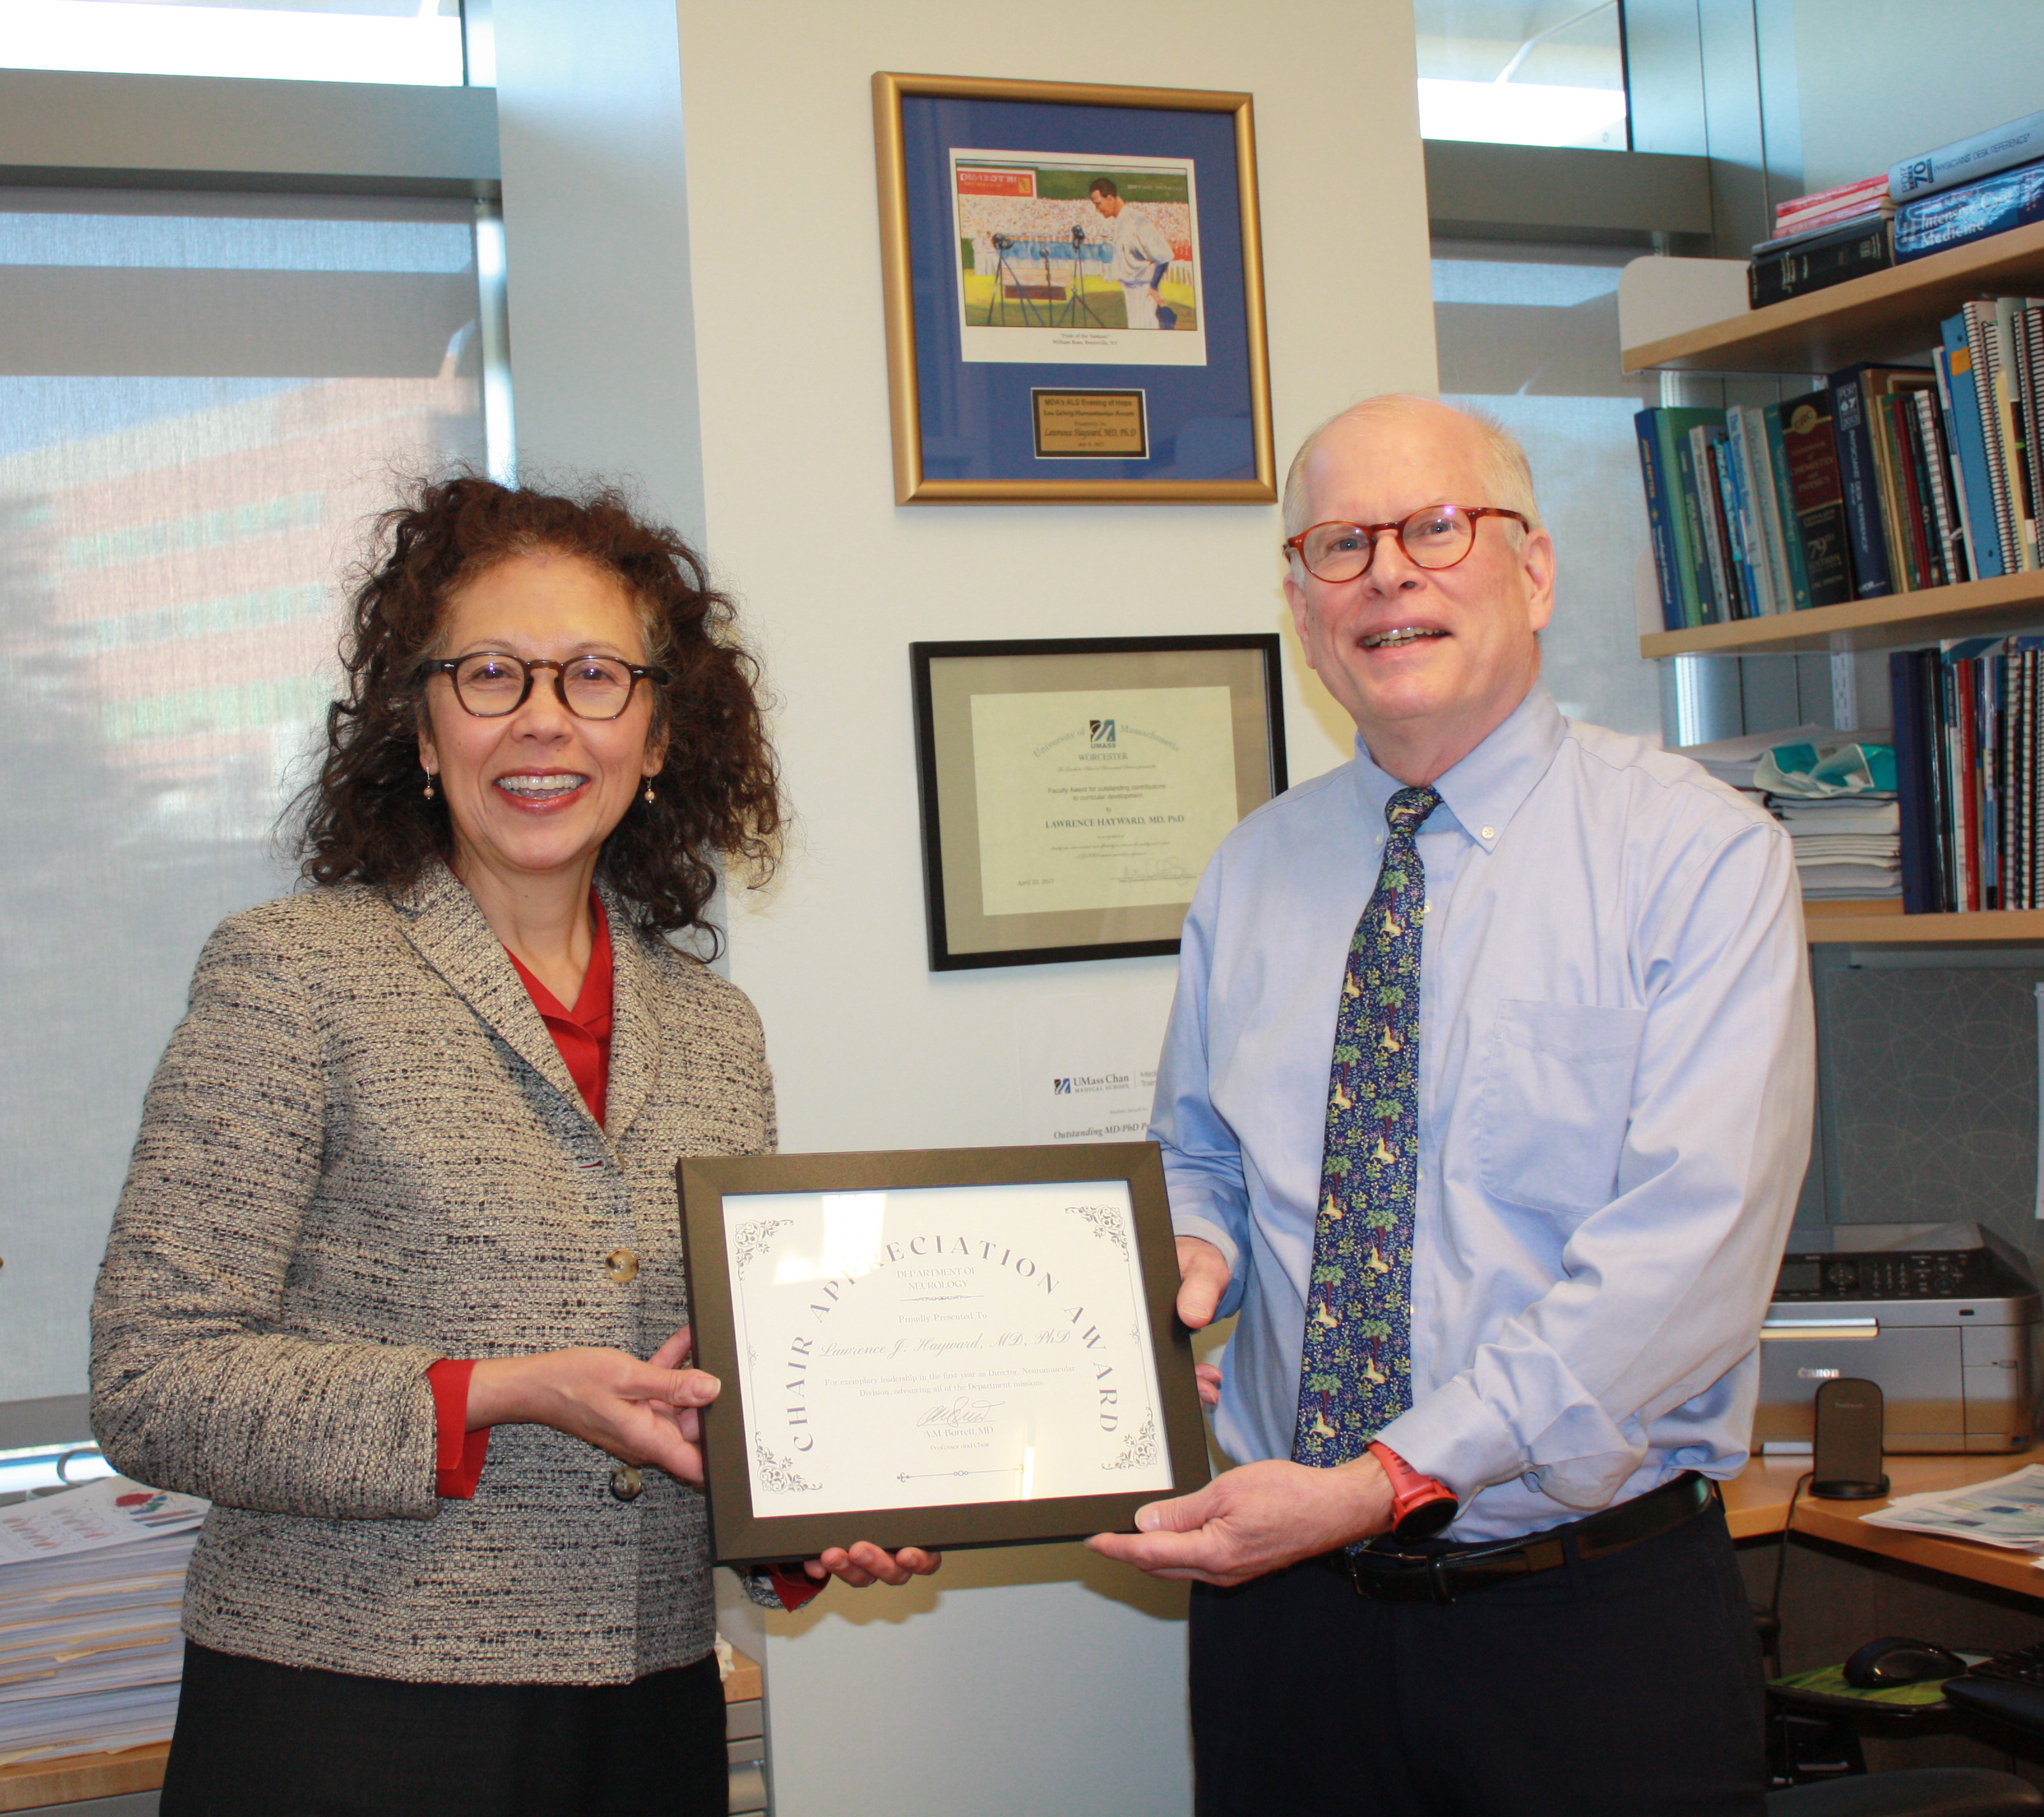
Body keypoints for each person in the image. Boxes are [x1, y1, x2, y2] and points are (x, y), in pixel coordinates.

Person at [89, 478, 935, 1817]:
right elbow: (155, 1378)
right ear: (422, 729)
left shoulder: (717, 1033)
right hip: (347, 1718)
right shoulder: (292, 973)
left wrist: (804, 1518)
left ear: (658, 734)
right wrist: (499, 1389)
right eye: (490, 673)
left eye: (597, 675)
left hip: (649, 1710)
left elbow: (719, 1390)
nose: (544, 716)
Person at [1088, 396, 1814, 1815]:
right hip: (1289, 1623)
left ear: (1533, 569)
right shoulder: (1254, 871)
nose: (1388, 576)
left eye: (1435, 528)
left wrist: (1383, 1474)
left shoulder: (1696, 858)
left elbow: (1687, 1264)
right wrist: (1192, 1258)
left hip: (1583, 1622)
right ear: (1302, 609)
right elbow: (1199, 1157)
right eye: (1341, 545)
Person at [1086, 177, 1173, 331]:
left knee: (1146, 339)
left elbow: (1164, 256)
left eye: (1098, 203)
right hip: (1131, 289)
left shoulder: (1136, 221)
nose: (1097, 209)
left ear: (1111, 198)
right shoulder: (1121, 220)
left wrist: (1153, 287)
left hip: (1143, 290)